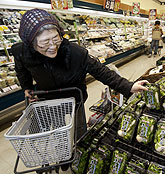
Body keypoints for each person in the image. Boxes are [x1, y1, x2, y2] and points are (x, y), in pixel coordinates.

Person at [12, 9, 148, 140]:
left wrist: (129, 86)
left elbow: (100, 71)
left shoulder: (75, 52)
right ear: (31, 43)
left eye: (56, 39)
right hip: (49, 99)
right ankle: (63, 149)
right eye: (45, 42)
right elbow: (21, 70)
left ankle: (80, 150)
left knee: (79, 128)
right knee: (59, 130)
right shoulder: (22, 52)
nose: (53, 46)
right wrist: (27, 88)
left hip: (74, 97)